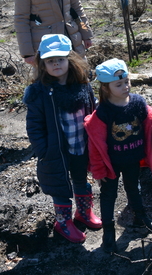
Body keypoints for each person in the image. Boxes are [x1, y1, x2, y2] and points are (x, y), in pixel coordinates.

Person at [23, 34, 99, 244]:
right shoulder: (39, 93)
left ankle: (83, 213)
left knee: (81, 179)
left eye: (60, 59)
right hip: (56, 150)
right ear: (42, 64)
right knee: (59, 185)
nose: (56, 64)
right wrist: (43, 150)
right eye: (50, 61)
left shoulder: (83, 85)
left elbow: (92, 111)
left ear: (69, 60)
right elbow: (34, 126)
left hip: (81, 145)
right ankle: (62, 222)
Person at [85, 59, 152, 253]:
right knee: (109, 195)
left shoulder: (137, 103)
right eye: (119, 84)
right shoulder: (103, 112)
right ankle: (108, 232)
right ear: (106, 87)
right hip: (112, 163)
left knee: (134, 187)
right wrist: (98, 170)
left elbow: (150, 123)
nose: (125, 86)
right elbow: (95, 144)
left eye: (127, 81)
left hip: (133, 158)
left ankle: (139, 217)